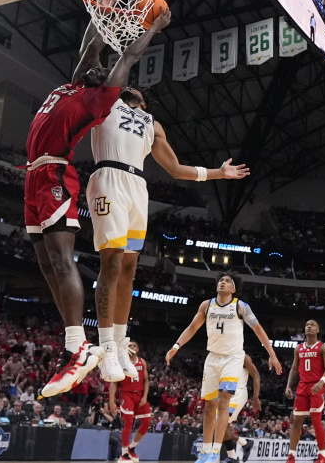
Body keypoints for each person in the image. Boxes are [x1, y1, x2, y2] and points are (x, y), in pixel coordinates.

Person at [24, 0, 172, 398]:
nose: (96, 67)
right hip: (32, 176)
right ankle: (74, 346)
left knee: (61, 257)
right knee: (45, 263)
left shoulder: (99, 99)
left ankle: (79, 345)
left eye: (100, 70)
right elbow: (93, 46)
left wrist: (152, 27)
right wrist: (103, 11)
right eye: (93, 66)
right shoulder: (74, 84)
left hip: (56, 172)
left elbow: (126, 57)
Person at [87, 84, 249, 381]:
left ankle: (121, 342)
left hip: (137, 186)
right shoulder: (105, 104)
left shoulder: (152, 124)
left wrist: (218, 173)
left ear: (145, 104)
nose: (133, 88)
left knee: (129, 268)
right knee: (110, 263)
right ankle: (106, 346)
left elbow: (175, 169)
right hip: (108, 177)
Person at [166, 272, 283, 463]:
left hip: (233, 358)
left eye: (228, 281)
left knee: (223, 400)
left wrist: (272, 354)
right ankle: (205, 452)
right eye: (221, 280)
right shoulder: (206, 305)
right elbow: (192, 328)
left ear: (234, 289)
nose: (223, 282)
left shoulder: (240, 306)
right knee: (209, 406)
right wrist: (176, 346)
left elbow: (258, 329)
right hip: (212, 358)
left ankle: (215, 452)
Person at [284, 320, 325, 463]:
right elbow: (294, 369)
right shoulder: (298, 348)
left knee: (316, 420)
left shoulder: (323, 347)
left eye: (313, 325)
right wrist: (288, 386)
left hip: (317, 385)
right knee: (297, 420)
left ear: (318, 330)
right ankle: (291, 455)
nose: (309, 326)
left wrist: (321, 382)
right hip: (302, 386)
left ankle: (322, 456)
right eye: (306, 325)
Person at [109, 340, 151, 462]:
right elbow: (114, 383)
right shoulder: (121, 363)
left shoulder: (142, 362)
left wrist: (145, 396)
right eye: (129, 345)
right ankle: (124, 454)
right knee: (128, 423)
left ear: (137, 349)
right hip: (126, 395)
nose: (132, 347)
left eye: (134, 346)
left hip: (140, 395)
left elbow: (146, 380)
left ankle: (132, 447)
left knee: (146, 422)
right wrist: (112, 401)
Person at [223, 355, 260, 463]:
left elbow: (256, 375)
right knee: (221, 426)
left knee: (220, 422)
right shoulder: (222, 354)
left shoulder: (244, 357)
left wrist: (256, 397)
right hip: (225, 393)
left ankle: (233, 456)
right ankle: (244, 444)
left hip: (237, 393)